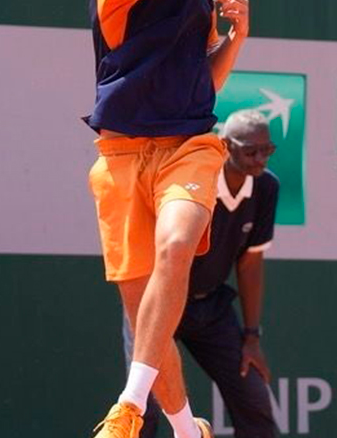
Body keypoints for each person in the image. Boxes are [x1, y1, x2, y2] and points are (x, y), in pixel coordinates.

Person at [86, 0, 278, 438]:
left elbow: (201, 84)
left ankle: (130, 404)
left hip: (189, 148)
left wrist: (234, 39)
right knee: (142, 308)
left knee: (176, 244)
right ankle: (185, 429)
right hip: (120, 157)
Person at [125, 109, 281, 438]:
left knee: (254, 398)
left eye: (267, 150)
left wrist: (252, 337)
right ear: (225, 146)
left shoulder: (266, 188)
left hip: (211, 309)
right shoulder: (196, 181)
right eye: (250, 150)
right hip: (159, 304)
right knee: (144, 411)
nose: (259, 159)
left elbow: (250, 263)